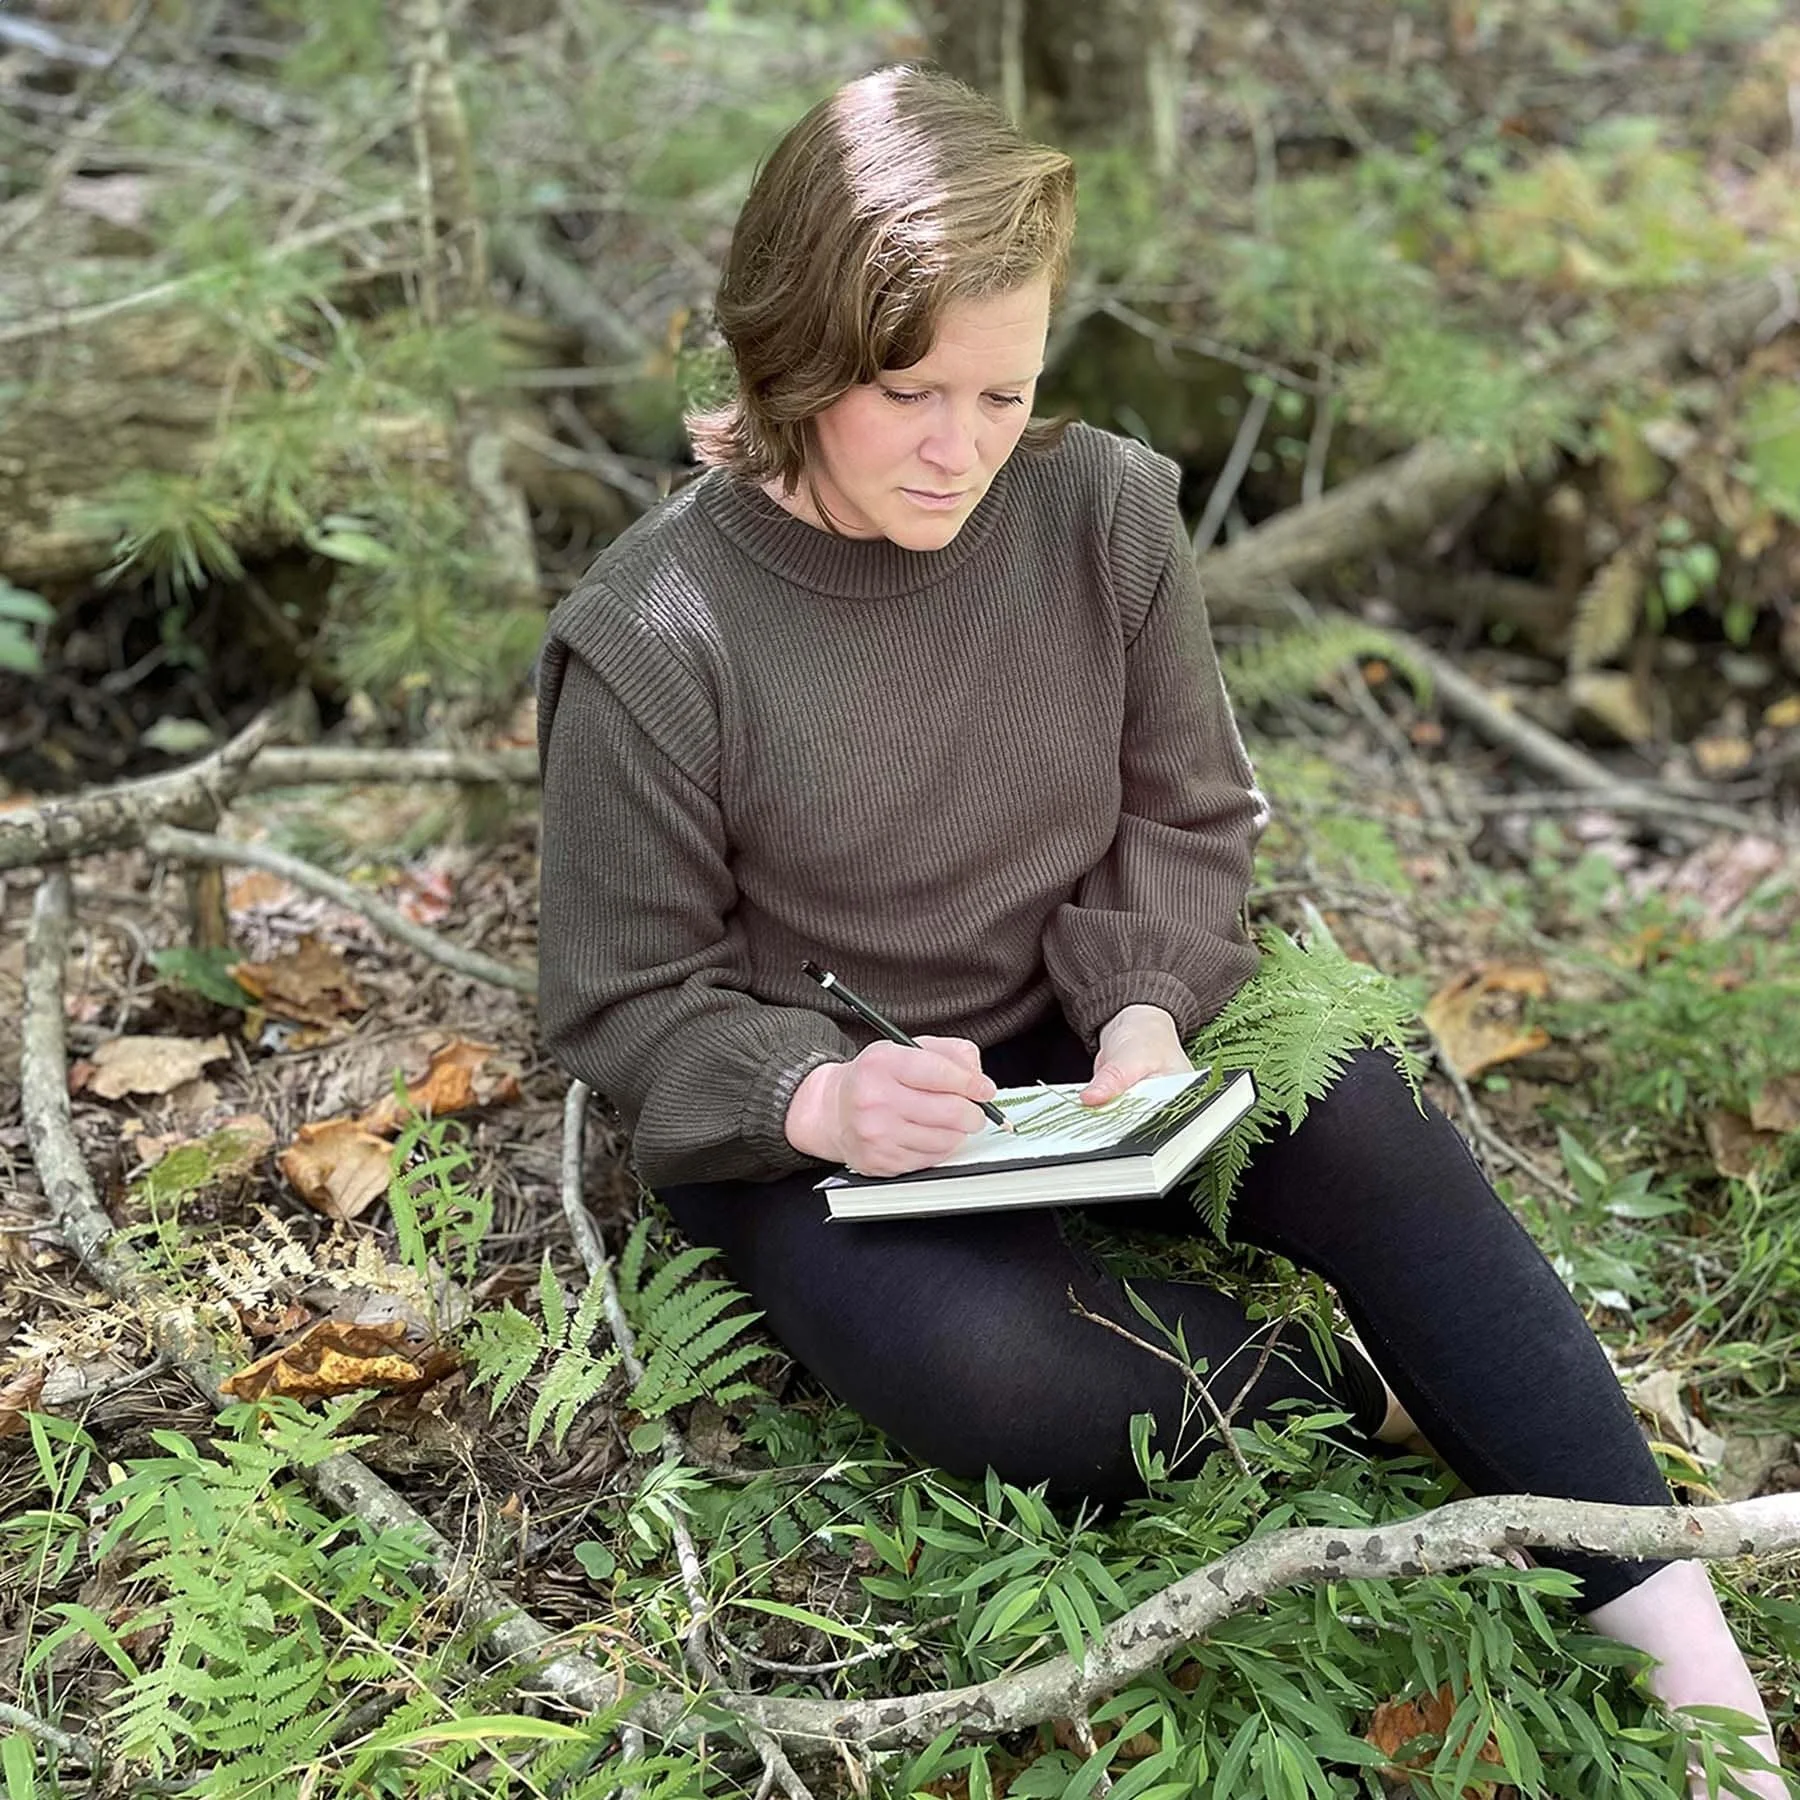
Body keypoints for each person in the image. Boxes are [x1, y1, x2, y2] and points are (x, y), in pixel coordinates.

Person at [535, 64, 1788, 1796]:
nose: (961, 445)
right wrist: (816, 1100)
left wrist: (1139, 1010)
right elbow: (623, 995)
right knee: (1003, 1379)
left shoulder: (1102, 508)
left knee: (1372, 1126)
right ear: (795, 358)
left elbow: (1188, 811)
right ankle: (1365, 1394)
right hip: (833, 1115)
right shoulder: (659, 628)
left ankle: (1709, 1708)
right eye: (907, 392)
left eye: (1003, 389)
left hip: (1085, 1027)